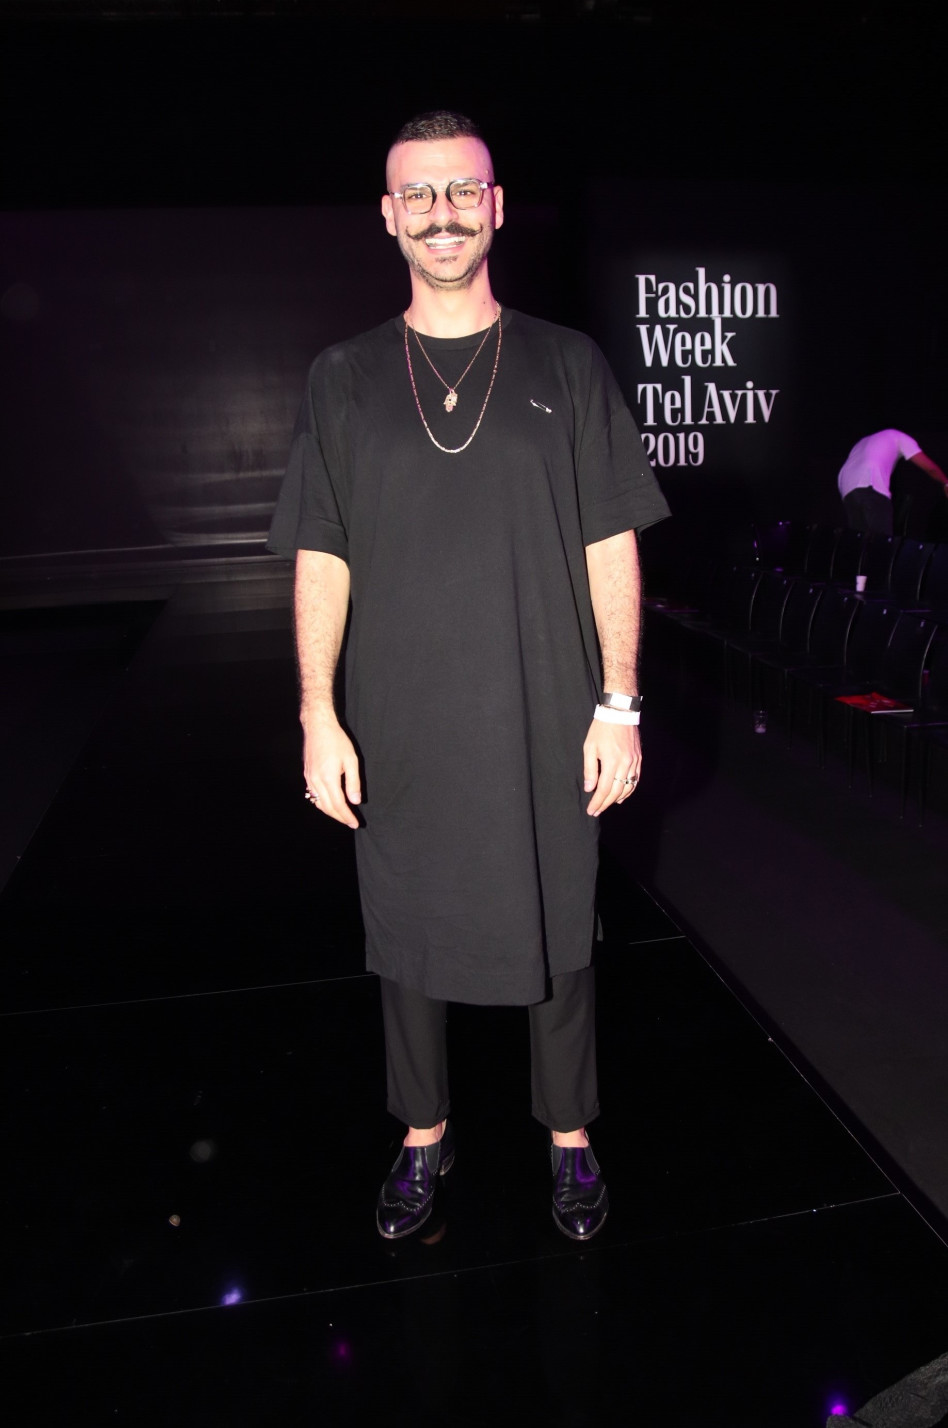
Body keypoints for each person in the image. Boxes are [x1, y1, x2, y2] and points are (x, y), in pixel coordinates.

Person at [267, 110, 669, 1243]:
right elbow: (321, 553)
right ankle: (423, 1133)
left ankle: (570, 1136)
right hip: (400, 716)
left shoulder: (566, 363)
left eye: (461, 191)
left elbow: (609, 540)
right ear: (389, 217)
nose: (441, 213)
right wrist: (317, 713)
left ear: (494, 208)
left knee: (560, 921)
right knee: (403, 927)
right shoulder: (343, 377)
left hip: (548, 705)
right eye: (419, 194)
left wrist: (619, 701)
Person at [838, 429, 948, 535]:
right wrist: (946, 482)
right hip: (869, 483)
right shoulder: (901, 437)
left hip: (846, 487)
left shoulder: (866, 440)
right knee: (882, 539)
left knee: (860, 538)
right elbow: (930, 468)